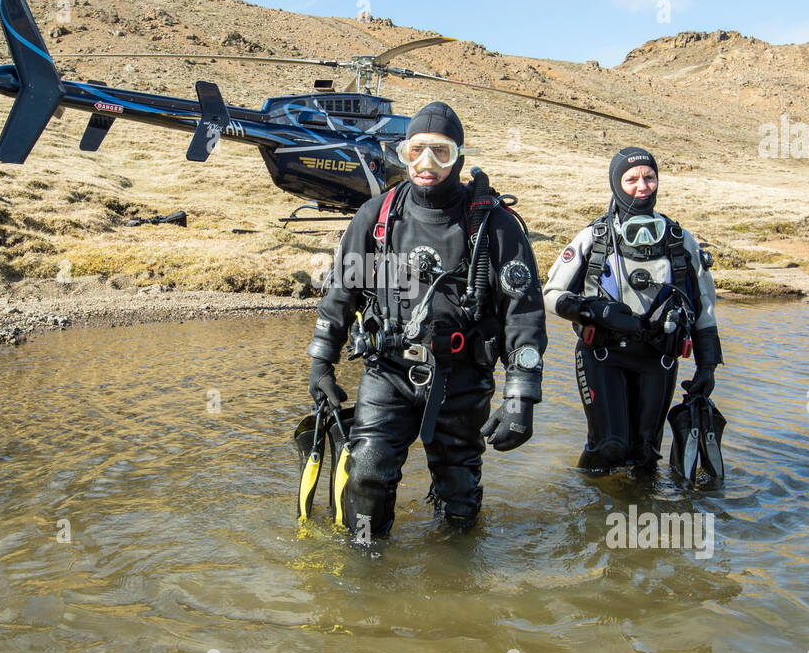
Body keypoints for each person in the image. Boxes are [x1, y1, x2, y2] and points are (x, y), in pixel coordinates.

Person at [306, 102, 547, 538]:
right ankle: (366, 563)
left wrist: (522, 396)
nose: (426, 164)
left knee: (460, 493)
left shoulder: (494, 227)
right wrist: (322, 361)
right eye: (415, 151)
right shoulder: (377, 217)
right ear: (403, 152)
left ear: (459, 156)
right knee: (366, 474)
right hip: (389, 371)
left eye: (441, 152)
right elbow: (340, 293)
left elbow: (524, 313)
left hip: (462, 377)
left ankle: (456, 577)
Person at [542, 146, 722, 473]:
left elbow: (705, 309)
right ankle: (589, 516)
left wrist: (706, 367)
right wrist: (592, 311)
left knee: (644, 455)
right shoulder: (594, 238)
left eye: (649, 178)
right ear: (616, 183)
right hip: (602, 356)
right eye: (632, 179)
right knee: (609, 447)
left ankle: (641, 519)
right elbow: (551, 294)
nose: (642, 186)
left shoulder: (680, 241)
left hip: (659, 359)